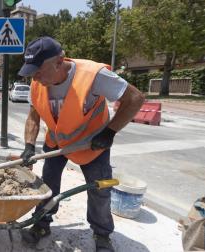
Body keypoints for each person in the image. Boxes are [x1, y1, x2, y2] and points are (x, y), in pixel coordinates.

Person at [18, 37, 144, 251]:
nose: (35, 77)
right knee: (47, 187)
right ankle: (41, 224)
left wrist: (110, 132)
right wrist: (29, 145)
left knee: (99, 191)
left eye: (39, 70)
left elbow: (135, 98)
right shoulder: (37, 83)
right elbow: (33, 117)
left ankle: (102, 235)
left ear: (59, 61)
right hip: (57, 143)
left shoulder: (93, 75)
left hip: (92, 145)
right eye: (32, 72)